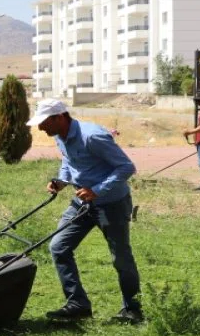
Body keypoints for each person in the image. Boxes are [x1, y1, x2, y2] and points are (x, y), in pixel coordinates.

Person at [29, 98, 143, 323]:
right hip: (82, 203)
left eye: (44, 122)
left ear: (59, 117)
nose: (40, 128)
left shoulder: (92, 136)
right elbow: (69, 162)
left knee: (121, 258)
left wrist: (97, 190)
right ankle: (78, 305)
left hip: (111, 204)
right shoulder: (60, 136)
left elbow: (126, 167)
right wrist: (61, 181)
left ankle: (133, 309)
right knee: (58, 247)